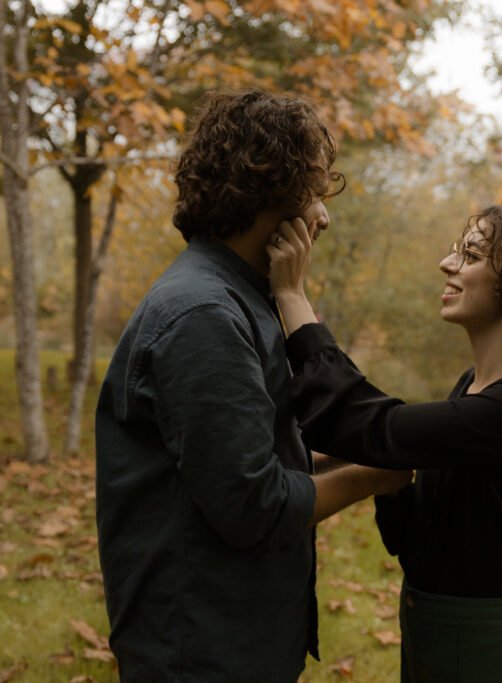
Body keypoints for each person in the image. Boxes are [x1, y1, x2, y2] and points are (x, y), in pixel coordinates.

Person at [95, 90, 411, 682]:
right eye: (314, 193)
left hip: (233, 637)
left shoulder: (239, 298)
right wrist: (372, 476)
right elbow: (251, 504)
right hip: (201, 650)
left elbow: (254, 454)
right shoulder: (204, 315)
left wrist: (359, 446)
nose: (324, 215)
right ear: (275, 195)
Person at [267, 200, 502, 682]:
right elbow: (411, 534)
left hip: (491, 654)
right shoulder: (473, 386)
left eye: (469, 255)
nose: (447, 264)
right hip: (431, 635)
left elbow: (377, 429)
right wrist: (382, 473)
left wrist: (293, 298)